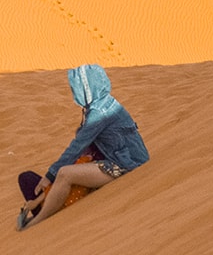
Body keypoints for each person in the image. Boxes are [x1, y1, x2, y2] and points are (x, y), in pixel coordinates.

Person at [17, 63, 150, 230]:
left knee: (65, 173)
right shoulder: (102, 104)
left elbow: (77, 146)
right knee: (63, 171)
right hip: (117, 158)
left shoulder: (100, 113)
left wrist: (50, 175)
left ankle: (36, 222)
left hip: (126, 164)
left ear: (88, 88)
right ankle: (43, 205)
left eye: (76, 88)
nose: (74, 93)